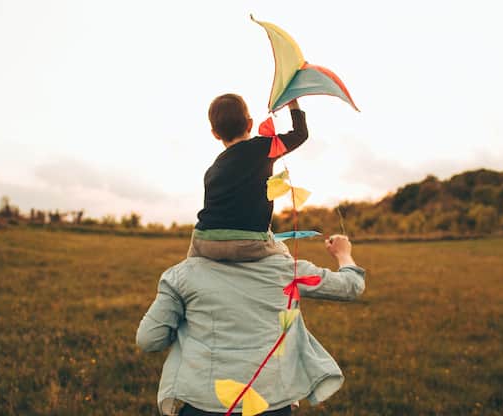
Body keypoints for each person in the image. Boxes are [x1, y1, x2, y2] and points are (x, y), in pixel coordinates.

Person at [137, 234, 366, 415]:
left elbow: (149, 339)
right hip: (270, 404)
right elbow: (351, 285)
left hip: (202, 405)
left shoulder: (182, 275)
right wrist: (343, 253)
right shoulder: (288, 270)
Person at [188, 93, 308, 262]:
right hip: (247, 243)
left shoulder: (212, 169)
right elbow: (300, 134)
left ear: (215, 134)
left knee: (191, 266)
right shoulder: (263, 147)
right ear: (250, 124)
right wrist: (293, 103)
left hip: (203, 241)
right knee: (282, 250)